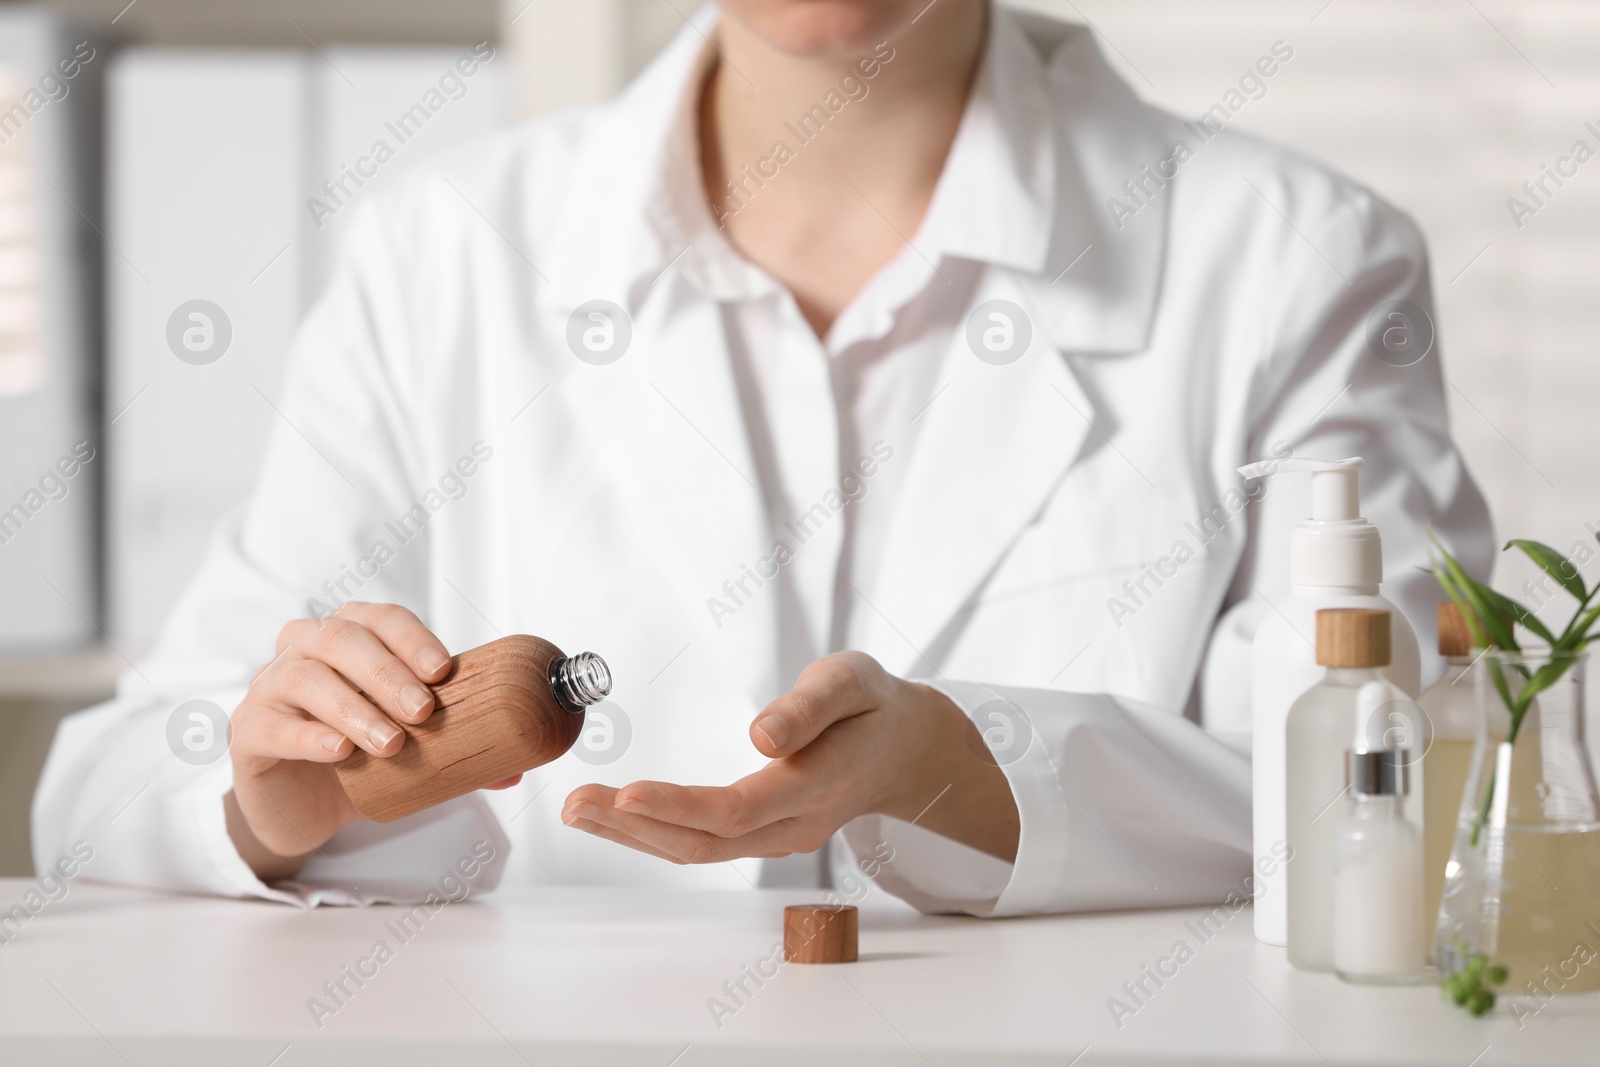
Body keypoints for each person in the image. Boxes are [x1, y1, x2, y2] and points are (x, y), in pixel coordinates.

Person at [33, 0, 1490, 915]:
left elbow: (1403, 803)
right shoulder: (446, 254)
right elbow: (98, 794)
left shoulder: (1298, 263)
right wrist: (276, 803)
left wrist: (971, 772)